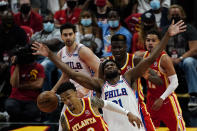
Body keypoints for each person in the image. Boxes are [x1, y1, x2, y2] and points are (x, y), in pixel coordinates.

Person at [32, 19, 186, 131]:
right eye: (106, 66)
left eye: (112, 64)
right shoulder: (100, 85)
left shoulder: (128, 77)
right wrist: (50, 55)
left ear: (120, 70)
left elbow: (151, 58)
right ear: (102, 73)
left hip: (134, 126)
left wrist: (168, 35)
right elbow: (71, 73)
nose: (110, 65)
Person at [136, 29, 186, 130]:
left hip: (166, 100)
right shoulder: (142, 56)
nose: (150, 43)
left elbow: (175, 82)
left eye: (153, 40)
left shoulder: (164, 58)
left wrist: (161, 99)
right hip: (151, 100)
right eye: (148, 40)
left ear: (159, 42)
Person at [57, 81, 142, 131]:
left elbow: (108, 104)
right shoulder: (65, 118)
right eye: (63, 99)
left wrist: (127, 113)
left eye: (68, 97)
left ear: (76, 93)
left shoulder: (91, 102)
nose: (67, 101)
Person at [162, 4, 197, 111]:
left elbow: (194, 49)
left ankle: (193, 96)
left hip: (184, 59)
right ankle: (163, 96)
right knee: (159, 62)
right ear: (168, 16)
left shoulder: (189, 28)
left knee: (189, 62)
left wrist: (180, 58)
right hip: (169, 59)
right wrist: (168, 59)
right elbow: (160, 48)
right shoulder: (165, 30)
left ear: (183, 15)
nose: (175, 16)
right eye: (173, 14)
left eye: (177, 14)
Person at [5, 45, 45, 122]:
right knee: (10, 106)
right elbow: (14, 84)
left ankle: (18, 119)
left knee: (33, 112)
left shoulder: (39, 67)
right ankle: (18, 119)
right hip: (15, 98)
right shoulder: (16, 66)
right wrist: (17, 65)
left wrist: (20, 86)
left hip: (32, 99)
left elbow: (38, 85)